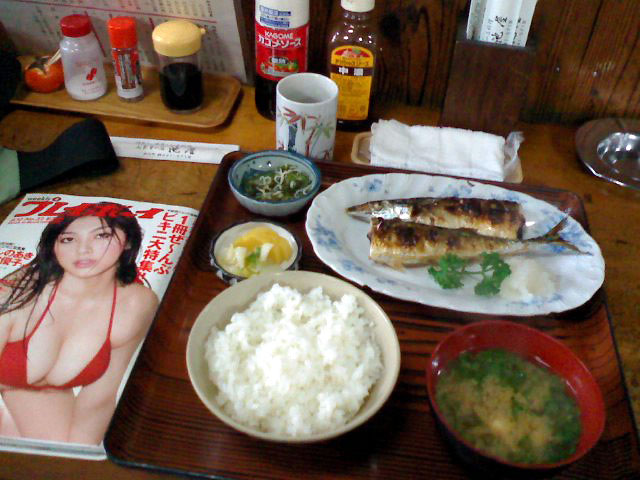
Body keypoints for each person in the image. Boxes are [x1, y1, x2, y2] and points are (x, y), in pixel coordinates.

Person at [0, 202, 158, 444]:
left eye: (101, 235)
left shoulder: (135, 304)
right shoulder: (18, 291)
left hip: (40, 395)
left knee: (62, 450)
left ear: (127, 241)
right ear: (54, 246)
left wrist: (81, 457)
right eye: (68, 239)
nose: (83, 250)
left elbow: (99, 400)